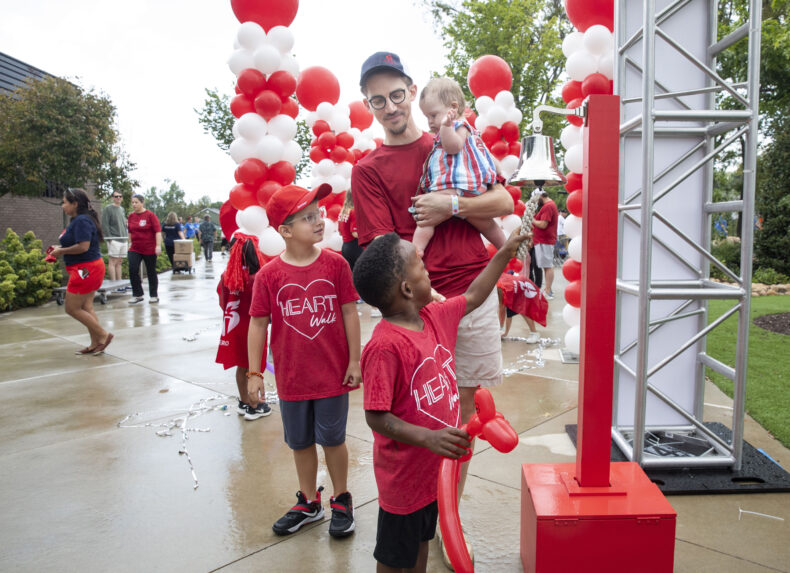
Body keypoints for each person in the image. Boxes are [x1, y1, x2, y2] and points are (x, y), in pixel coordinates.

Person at [352, 51, 514, 561]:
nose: (390, 106)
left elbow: (505, 202)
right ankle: (422, 511)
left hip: (471, 290)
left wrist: (454, 205)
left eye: (397, 94)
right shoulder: (369, 169)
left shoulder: (449, 134)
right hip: (416, 309)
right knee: (422, 415)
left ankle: (448, 516)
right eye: (377, 99)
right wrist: (425, 297)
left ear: (410, 90)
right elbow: (385, 249)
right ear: (368, 105)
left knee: (463, 415)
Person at [353, 229, 529, 573]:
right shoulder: (385, 346)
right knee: (394, 560)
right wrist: (430, 438)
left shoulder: (435, 317)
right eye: (420, 264)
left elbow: (476, 295)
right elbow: (377, 416)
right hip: (403, 483)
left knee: (421, 547)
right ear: (406, 288)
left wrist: (505, 251)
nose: (428, 267)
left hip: (435, 473)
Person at [247, 183, 362, 539]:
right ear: (284, 230)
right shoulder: (269, 275)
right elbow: (257, 324)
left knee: (333, 439)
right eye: (308, 217)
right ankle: (309, 502)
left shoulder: (336, 264)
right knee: (299, 442)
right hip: (292, 377)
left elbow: (349, 313)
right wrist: (254, 372)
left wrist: (354, 361)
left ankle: (341, 499)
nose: (319, 221)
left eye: (319, 214)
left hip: (332, 375)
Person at [414, 77, 505, 254]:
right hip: (470, 189)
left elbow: (453, 147)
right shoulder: (473, 133)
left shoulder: (457, 126)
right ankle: (507, 247)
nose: (430, 122)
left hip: (456, 186)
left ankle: (417, 250)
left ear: (453, 108)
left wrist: (446, 127)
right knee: (486, 224)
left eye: (433, 115)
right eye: (427, 117)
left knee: (427, 218)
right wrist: (497, 171)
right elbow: (489, 158)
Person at [49, 188, 114, 355]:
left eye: (64, 202)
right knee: (86, 306)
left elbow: (83, 247)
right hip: (89, 267)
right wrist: (61, 248)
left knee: (71, 308)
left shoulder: (82, 221)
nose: (62, 206)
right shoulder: (79, 220)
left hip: (85, 269)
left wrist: (61, 252)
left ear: (75, 203)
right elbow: (79, 243)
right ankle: (96, 343)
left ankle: (103, 335)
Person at [216, 234, 271, 420]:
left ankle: (244, 401)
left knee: (241, 366)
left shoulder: (227, 276)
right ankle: (254, 406)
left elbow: (222, 302)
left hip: (233, 327)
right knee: (254, 367)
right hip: (252, 328)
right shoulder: (257, 277)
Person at [127, 194, 162, 304]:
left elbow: (157, 231)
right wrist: (130, 243)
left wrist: (158, 245)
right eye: (132, 202)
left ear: (142, 203)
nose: (134, 204)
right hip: (135, 248)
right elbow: (130, 231)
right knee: (133, 269)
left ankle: (153, 295)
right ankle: (137, 294)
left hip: (149, 248)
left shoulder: (150, 215)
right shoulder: (131, 216)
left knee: (151, 271)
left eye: (136, 202)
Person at [532, 191, 559, 300]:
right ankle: (548, 290)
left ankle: (548, 291)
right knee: (546, 266)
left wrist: (533, 220)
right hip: (543, 240)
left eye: (536, 198)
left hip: (544, 240)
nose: (536, 201)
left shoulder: (548, 206)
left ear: (540, 196)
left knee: (547, 266)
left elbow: (543, 224)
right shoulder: (549, 205)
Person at [100, 191, 128, 281]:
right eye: (116, 196)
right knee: (112, 261)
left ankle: (119, 283)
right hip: (114, 239)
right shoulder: (108, 209)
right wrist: (110, 238)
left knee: (119, 262)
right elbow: (105, 224)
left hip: (123, 239)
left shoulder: (122, 209)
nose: (118, 198)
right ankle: (113, 284)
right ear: (113, 197)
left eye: (120, 196)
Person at [338, 191, 363, 272]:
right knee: (361, 273)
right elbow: (355, 233)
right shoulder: (353, 211)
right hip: (354, 247)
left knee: (351, 274)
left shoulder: (343, 212)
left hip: (345, 246)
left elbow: (340, 231)